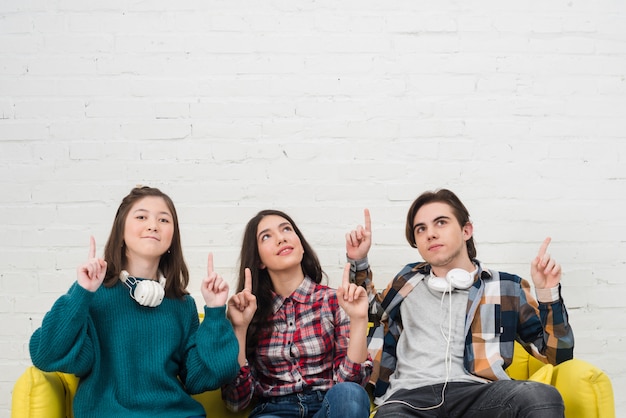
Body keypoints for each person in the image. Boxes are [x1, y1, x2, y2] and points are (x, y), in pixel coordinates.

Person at [29, 186, 240, 418]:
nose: (153, 225)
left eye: (163, 219)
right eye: (141, 217)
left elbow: (204, 377)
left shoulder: (182, 304)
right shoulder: (93, 295)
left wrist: (215, 311)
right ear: (120, 231)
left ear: (172, 237)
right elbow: (45, 355)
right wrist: (82, 292)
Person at [362, 189, 574, 418]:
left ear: (466, 230)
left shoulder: (506, 287)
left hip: (480, 394)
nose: (430, 234)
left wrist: (547, 293)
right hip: (409, 400)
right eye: (421, 229)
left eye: (440, 223)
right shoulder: (406, 281)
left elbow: (556, 356)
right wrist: (358, 260)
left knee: (540, 396)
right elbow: (366, 311)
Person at [221, 209, 374, 418]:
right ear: (259, 260)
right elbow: (236, 402)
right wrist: (239, 328)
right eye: (266, 236)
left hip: (328, 406)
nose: (281, 238)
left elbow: (352, 386)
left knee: (349, 394)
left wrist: (358, 320)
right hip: (274, 410)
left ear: (301, 246)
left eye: (286, 229)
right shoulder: (249, 312)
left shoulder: (334, 301)